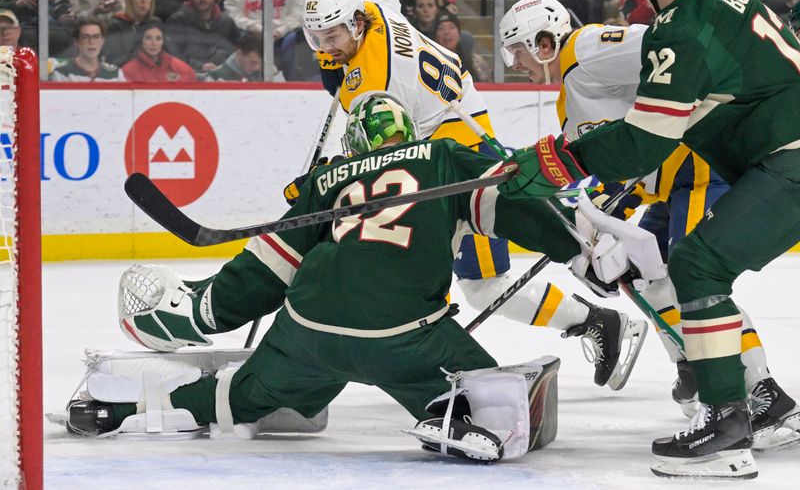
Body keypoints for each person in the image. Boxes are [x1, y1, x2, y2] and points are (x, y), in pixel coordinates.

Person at [65, 92, 650, 463]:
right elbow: (513, 200)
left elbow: (265, 271)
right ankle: (459, 412)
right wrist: (582, 252)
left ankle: (116, 410)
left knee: (236, 398)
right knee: (485, 393)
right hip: (404, 336)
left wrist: (201, 311)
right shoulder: (442, 158)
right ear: (407, 134)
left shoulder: (329, 179)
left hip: (306, 332)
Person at [496, 0, 800, 479]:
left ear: (544, 41)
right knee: (649, 271)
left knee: (697, 271)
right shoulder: (707, 2)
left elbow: (650, 121)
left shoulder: (591, 48)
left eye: (519, 49)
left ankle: (757, 395)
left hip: (702, 171)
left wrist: (559, 162)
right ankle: (706, 370)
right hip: (706, 163)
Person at [302, 0, 648, 392]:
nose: (325, 46)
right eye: (316, 37)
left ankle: (599, 320)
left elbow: (380, 152)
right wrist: (333, 50)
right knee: (457, 278)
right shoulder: (376, 11)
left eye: (332, 35)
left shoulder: (376, 80)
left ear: (358, 22)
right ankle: (590, 316)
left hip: (458, 175)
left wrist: (326, 179)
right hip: (455, 149)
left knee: (479, 285)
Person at [224, 0, 306, 79]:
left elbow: (300, 12)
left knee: (295, 38)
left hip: (283, 34)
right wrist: (256, 28)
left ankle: (291, 80)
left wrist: (281, 30)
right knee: (243, 38)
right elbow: (233, 14)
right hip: (251, 34)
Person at [166, 0, 238, 74]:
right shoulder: (177, 21)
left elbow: (235, 55)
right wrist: (200, 66)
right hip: (188, 77)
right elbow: (173, 56)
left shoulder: (227, 22)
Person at [104, 0, 160, 67]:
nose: (143, 0)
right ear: (129, 0)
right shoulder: (116, 24)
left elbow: (166, 56)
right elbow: (113, 61)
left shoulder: (155, 23)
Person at [51, 17, 125, 81]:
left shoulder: (116, 74)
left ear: (102, 41)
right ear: (76, 42)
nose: (91, 42)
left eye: (96, 37)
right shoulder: (62, 72)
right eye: (85, 37)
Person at [121, 22, 196, 82]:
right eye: (148, 38)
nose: (154, 43)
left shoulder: (182, 69)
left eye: (158, 38)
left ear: (163, 41)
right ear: (141, 41)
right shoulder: (128, 71)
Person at [434, 11, 489, 82]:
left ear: (459, 34)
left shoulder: (476, 62)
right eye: (441, 28)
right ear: (435, 37)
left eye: (451, 27)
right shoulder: (427, 61)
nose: (446, 32)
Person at [203, 32, 285, 81]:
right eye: (253, 62)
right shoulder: (217, 76)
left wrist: (274, 74)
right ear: (239, 53)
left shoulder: (268, 71)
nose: (257, 68)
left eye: (262, 63)